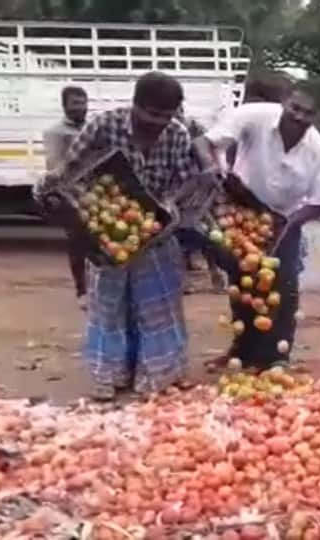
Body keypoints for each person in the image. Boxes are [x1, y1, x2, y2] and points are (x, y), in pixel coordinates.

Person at [36, 71, 209, 400]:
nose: (157, 122)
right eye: (151, 114)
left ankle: (156, 373)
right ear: (135, 105)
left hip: (155, 230)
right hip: (108, 227)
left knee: (157, 305)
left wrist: (169, 202)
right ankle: (109, 374)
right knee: (109, 303)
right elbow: (70, 166)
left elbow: (187, 179)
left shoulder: (176, 134)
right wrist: (53, 183)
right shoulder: (105, 125)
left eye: (166, 116)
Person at [200, 82, 320, 370]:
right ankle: (241, 350)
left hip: (285, 218)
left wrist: (285, 226)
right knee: (242, 281)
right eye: (295, 108)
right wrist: (214, 170)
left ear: (316, 117)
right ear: (285, 101)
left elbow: (319, 202)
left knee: (282, 288)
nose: (298, 116)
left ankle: (277, 357)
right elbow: (208, 142)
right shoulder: (255, 115)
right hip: (242, 209)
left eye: (307, 113)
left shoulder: (318, 151)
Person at [42, 86, 90, 309]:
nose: (80, 107)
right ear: (64, 106)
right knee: (77, 243)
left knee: (101, 243)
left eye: (83, 102)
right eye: (75, 103)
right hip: (70, 194)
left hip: (96, 193)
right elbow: (54, 166)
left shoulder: (92, 128)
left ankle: (98, 289)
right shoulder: (56, 132)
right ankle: (82, 290)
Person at [174, 106, 226, 293]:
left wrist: (209, 186)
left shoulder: (195, 129)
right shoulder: (167, 135)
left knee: (208, 236)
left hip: (202, 191)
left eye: (177, 111)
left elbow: (213, 165)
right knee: (181, 239)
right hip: (181, 191)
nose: (175, 116)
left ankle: (215, 273)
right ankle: (183, 280)